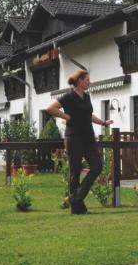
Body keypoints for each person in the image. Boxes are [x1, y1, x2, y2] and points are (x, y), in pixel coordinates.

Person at [46, 69, 112, 215]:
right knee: (75, 172)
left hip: (88, 137)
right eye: (87, 79)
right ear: (80, 81)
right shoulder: (69, 96)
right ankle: (77, 207)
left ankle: (75, 198)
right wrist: (67, 117)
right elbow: (51, 108)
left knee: (97, 166)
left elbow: (88, 115)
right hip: (74, 137)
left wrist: (103, 123)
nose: (89, 82)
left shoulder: (87, 97)